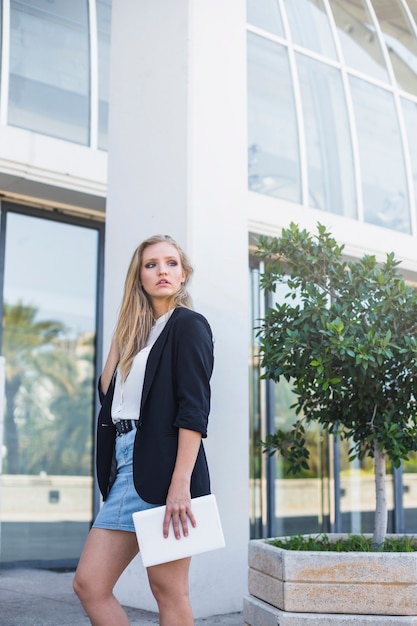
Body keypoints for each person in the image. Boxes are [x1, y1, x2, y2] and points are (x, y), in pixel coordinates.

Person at [73, 234, 214, 626]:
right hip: (124, 468)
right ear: (139, 277)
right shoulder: (136, 336)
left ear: (183, 275)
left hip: (166, 467)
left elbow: (194, 411)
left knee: (168, 590)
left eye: (171, 263)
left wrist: (180, 483)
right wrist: (124, 330)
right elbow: (107, 395)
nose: (162, 271)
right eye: (151, 265)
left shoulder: (188, 326)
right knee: (90, 584)